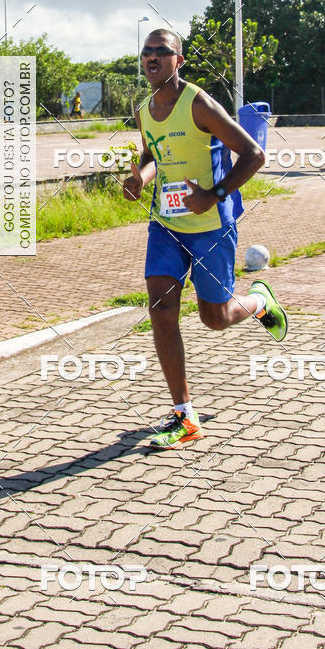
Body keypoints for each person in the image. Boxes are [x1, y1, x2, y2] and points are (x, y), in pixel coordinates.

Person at [123, 28, 287, 449]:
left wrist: (212, 195)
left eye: (162, 51)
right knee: (161, 308)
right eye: (146, 51)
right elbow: (153, 155)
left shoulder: (199, 104)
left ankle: (258, 302)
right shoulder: (143, 110)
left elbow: (253, 154)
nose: (152, 57)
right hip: (166, 224)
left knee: (214, 318)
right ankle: (184, 415)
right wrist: (140, 179)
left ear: (179, 61)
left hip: (212, 226)